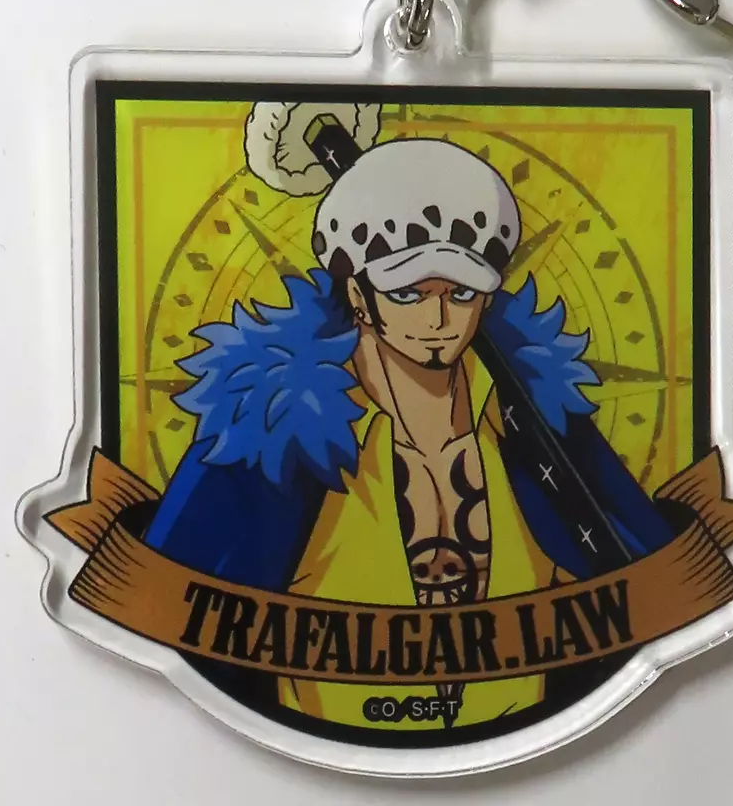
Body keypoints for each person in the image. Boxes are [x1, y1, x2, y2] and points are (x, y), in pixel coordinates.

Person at [144, 123, 675, 733]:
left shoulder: (538, 426)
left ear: (487, 296)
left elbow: (643, 581)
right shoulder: (267, 435)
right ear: (358, 293)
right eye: (408, 293)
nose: (439, 318)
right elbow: (167, 604)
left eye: (461, 292)